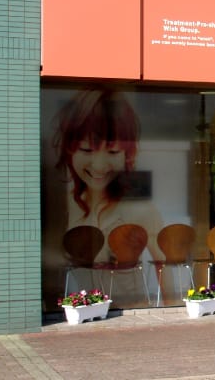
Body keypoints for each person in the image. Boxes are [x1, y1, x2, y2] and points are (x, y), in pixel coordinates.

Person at [52, 89, 164, 306]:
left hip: (133, 311)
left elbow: (163, 265)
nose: (99, 165)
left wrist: (171, 306)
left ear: (127, 154)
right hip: (85, 313)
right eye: (86, 150)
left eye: (113, 152)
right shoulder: (62, 206)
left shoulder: (141, 209)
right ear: (69, 149)